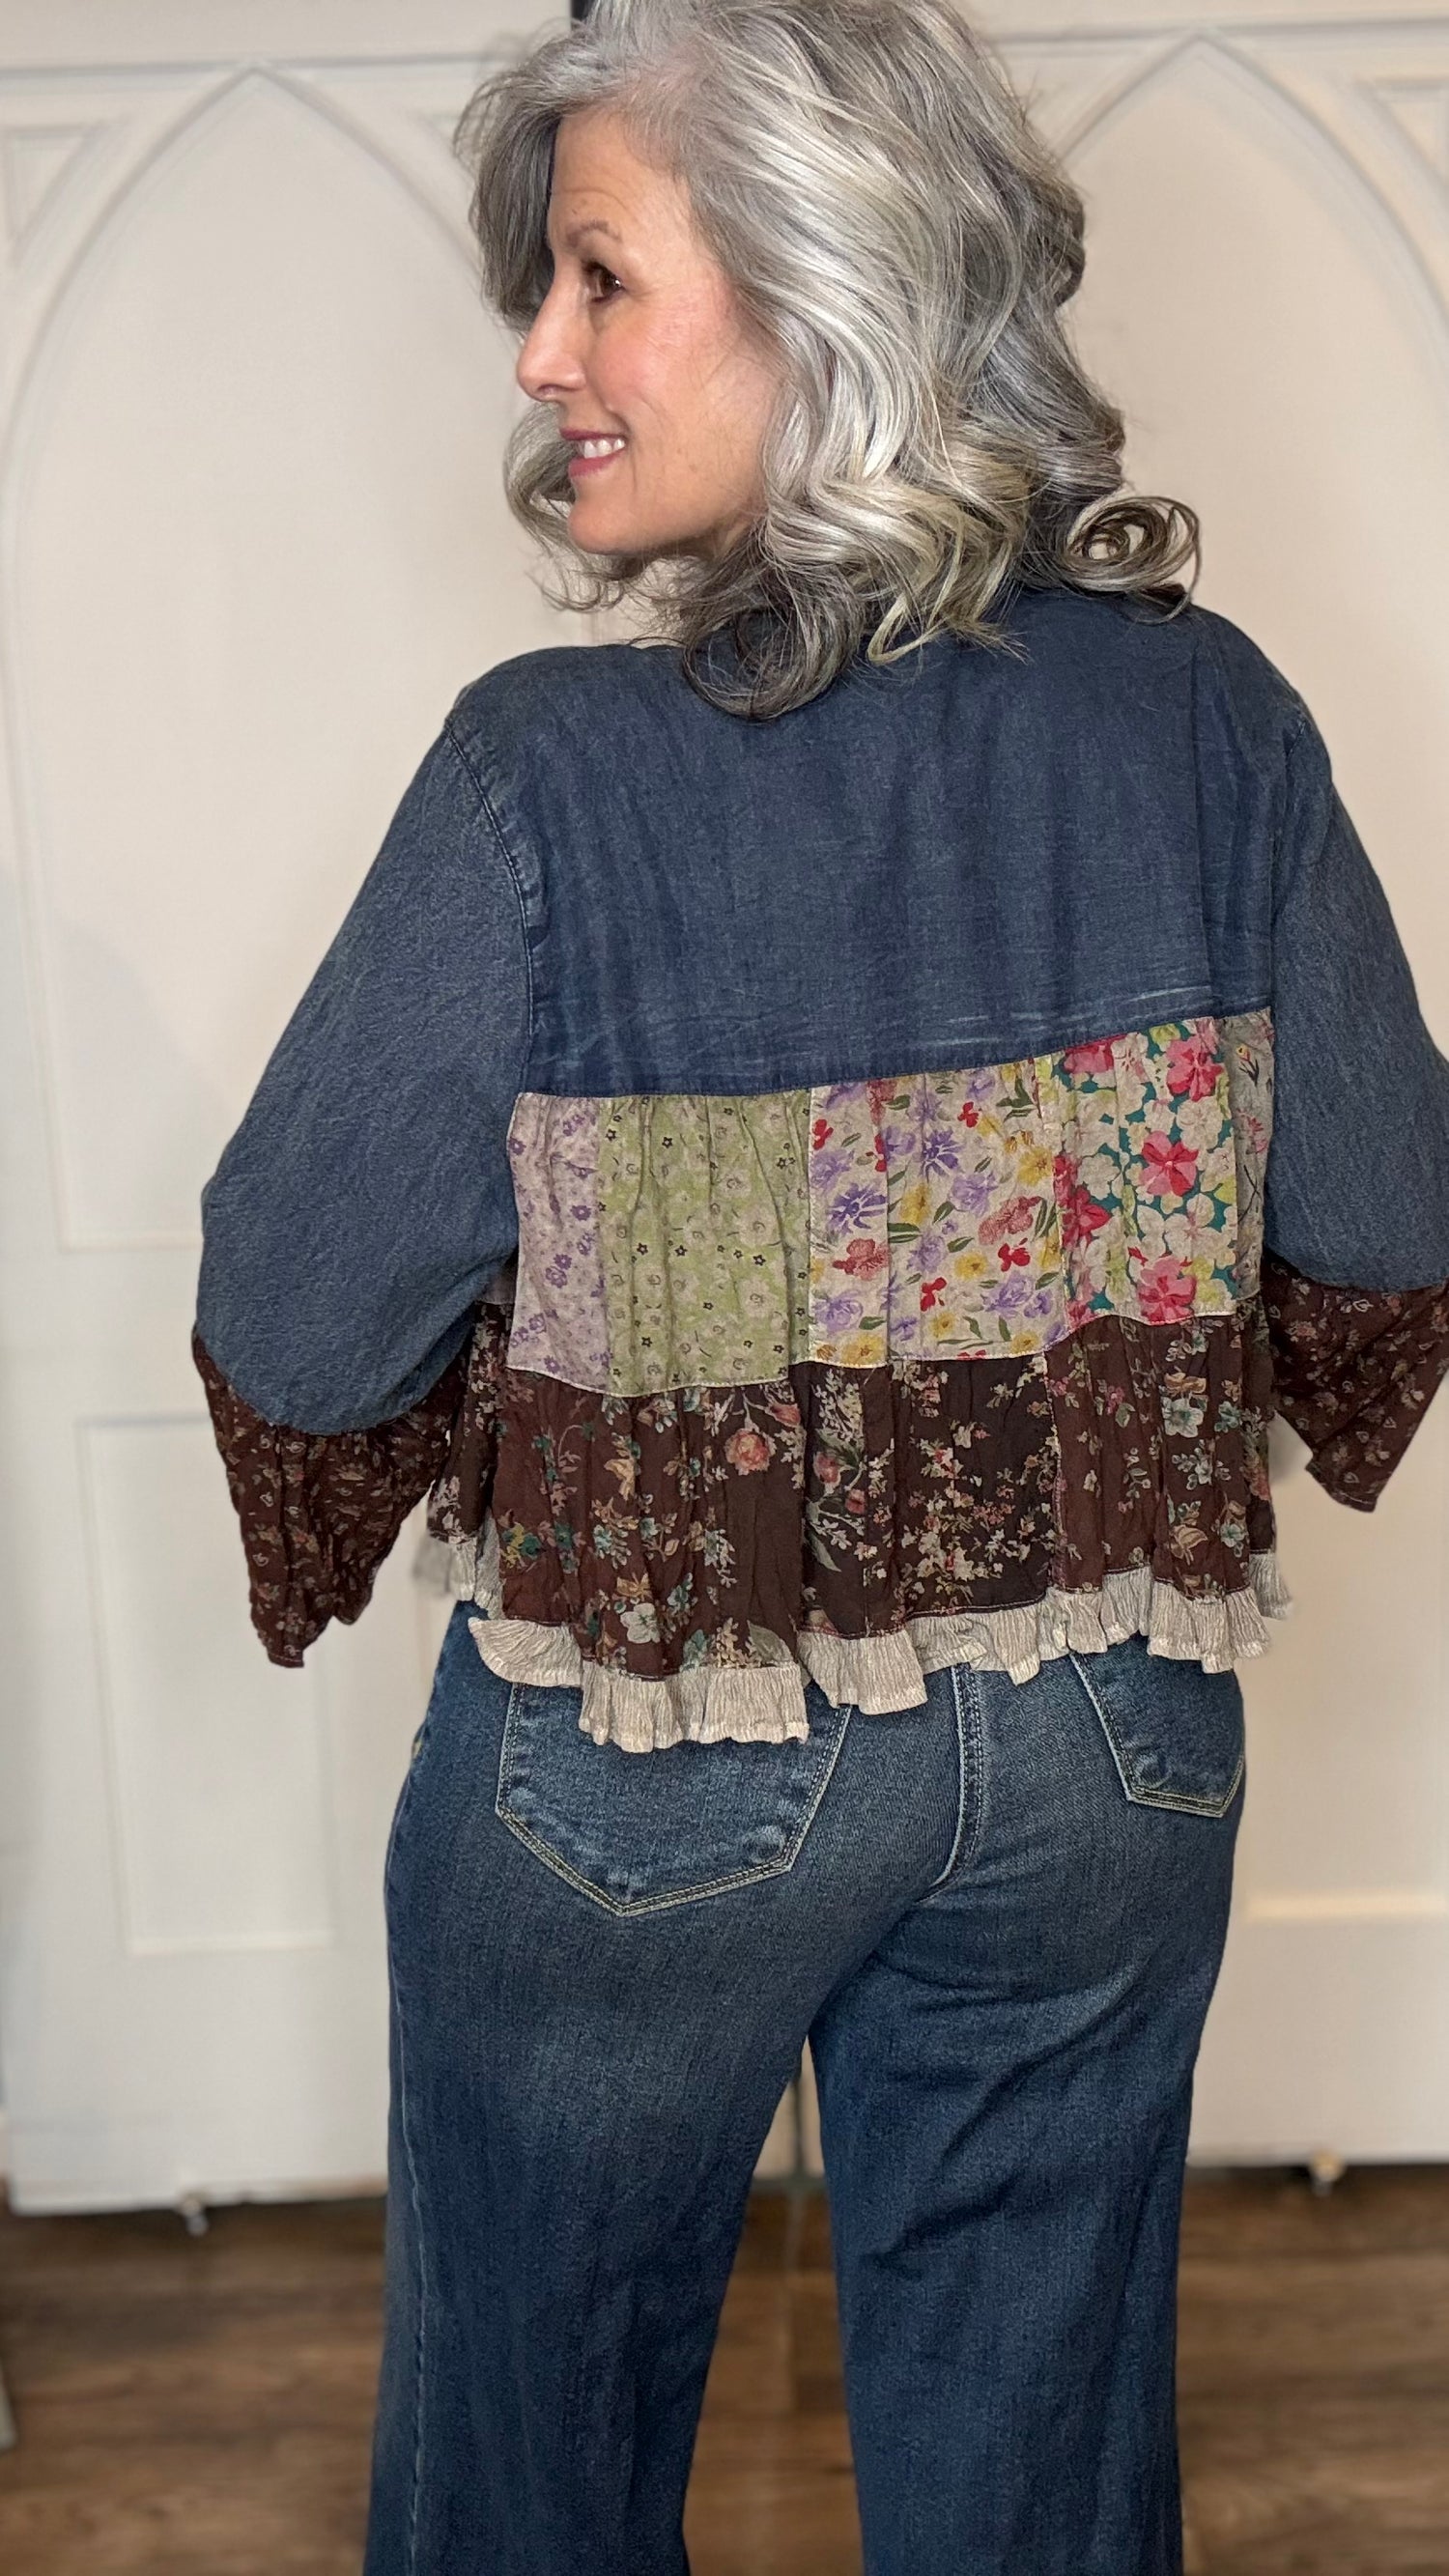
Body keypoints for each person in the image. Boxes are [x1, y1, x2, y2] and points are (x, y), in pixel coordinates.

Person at [190, 1, 1449, 2568]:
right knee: (1037, 2458)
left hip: (647, 1758)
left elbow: (304, 1304)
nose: (540, 359)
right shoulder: (1217, 723)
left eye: (594, 277)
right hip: (1107, 1747)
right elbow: (1385, 1227)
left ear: (822, 286)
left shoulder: (546, 773)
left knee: (531, 2454)